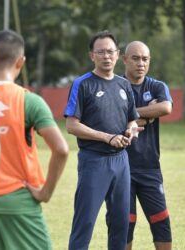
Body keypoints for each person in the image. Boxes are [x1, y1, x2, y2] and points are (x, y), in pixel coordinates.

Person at [0, 30, 69, 250]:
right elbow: (62, 149)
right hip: (20, 201)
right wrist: (46, 192)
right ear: (22, 61)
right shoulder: (30, 101)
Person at [64, 30, 142, 250]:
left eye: (110, 52)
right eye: (101, 52)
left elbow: (131, 119)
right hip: (93, 161)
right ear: (92, 55)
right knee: (85, 222)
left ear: (117, 54)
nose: (106, 56)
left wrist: (131, 129)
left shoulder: (123, 85)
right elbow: (72, 125)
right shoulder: (83, 84)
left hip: (121, 162)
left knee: (120, 223)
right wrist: (108, 138)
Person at [122, 41, 173, 250]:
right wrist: (149, 115)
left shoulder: (157, 86)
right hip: (121, 166)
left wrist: (131, 115)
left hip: (150, 167)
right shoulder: (115, 85)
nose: (140, 63)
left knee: (161, 222)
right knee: (125, 224)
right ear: (124, 60)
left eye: (145, 59)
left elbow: (166, 107)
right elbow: (114, 121)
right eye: (135, 58)